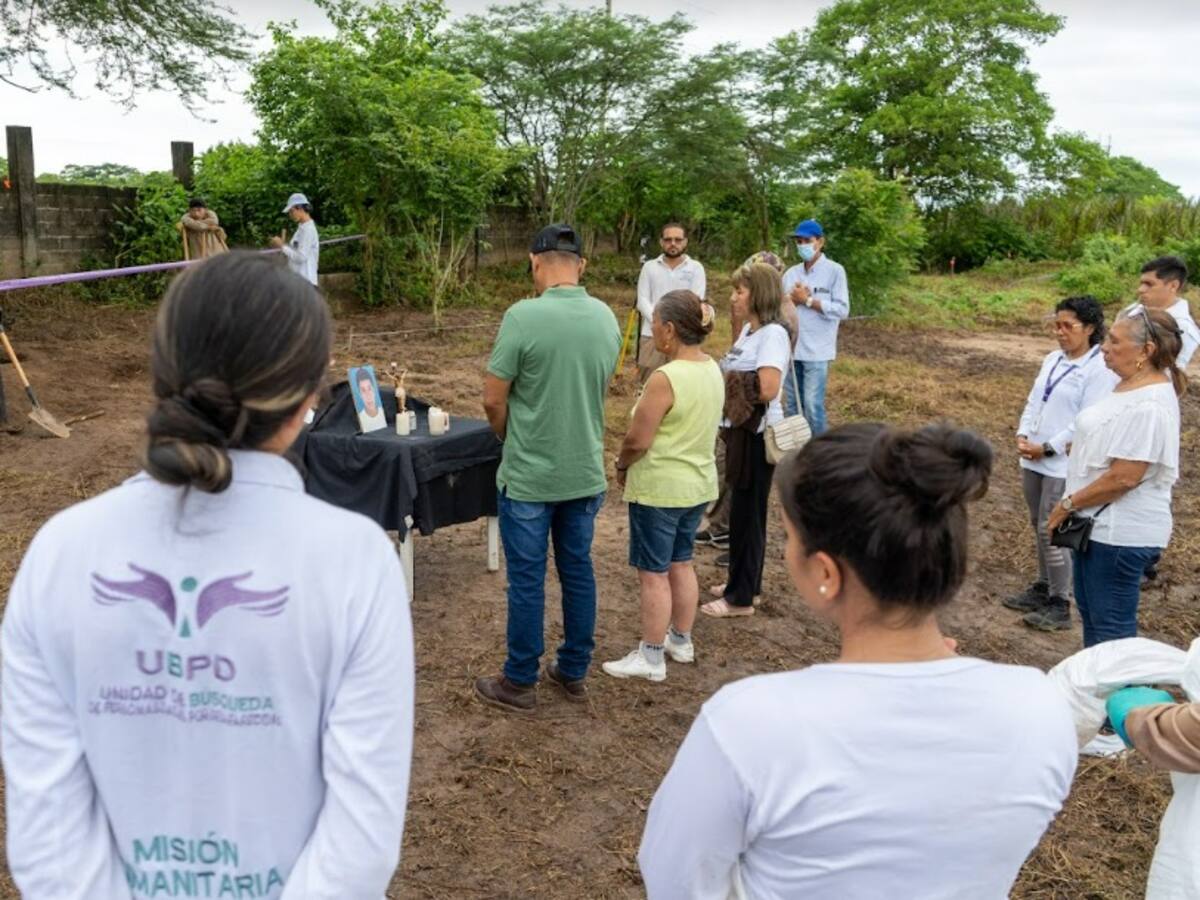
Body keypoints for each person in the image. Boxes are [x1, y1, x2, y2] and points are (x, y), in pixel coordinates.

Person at [1, 252, 414, 897]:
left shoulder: (61, 553)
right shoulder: (355, 561)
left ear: (160, 374)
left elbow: (46, 827)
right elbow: (361, 834)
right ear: (311, 396)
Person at [639, 423, 1078, 898]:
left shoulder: (750, 724)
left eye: (789, 537)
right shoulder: (1039, 708)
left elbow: (676, 880)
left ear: (826, 572)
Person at [476, 224, 621, 713]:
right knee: (578, 571)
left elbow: (494, 398)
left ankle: (520, 680)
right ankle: (574, 669)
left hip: (531, 475)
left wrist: (507, 435)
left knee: (528, 578)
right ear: (580, 266)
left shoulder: (522, 317)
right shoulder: (606, 317)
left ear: (536, 263)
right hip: (583, 470)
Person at [1046, 307, 1184, 647]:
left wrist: (1066, 504)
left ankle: (1118, 697)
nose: (1104, 347)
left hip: (1119, 535)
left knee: (1111, 634)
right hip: (1096, 528)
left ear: (1146, 350)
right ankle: (1097, 695)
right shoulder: (1127, 387)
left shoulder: (1150, 404)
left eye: (1114, 341)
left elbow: (1125, 477)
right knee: (1095, 620)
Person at [604, 290, 724, 681]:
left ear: (670, 329)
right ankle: (681, 639)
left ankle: (651, 656)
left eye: (654, 323)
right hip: (697, 485)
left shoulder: (666, 377)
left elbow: (639, 439)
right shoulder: (712, 368)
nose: (651, 329)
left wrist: (622, 464)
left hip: (661, 489)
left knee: (653, 572)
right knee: (681, 562)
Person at [1004, 296, 1117, 631]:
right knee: (1037, 526)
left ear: (1091, 328)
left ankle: (1060, 603)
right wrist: (1024, 433)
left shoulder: (1098, 369)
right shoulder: (1053, 359)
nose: (1060, 332)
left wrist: (1048, 448)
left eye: (1068, 325)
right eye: (1056, 324)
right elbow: (1034, 399)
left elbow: (1086, 419)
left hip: (1061, 463)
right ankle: (1043, 586)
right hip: (1034, 458)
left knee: (1051, 529)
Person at [701, 263, 790, 618]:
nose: (734, 297)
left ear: (759, 295)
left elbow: (768, 387)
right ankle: (744, 581)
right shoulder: (750, 332)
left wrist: (730, 384)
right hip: (738, 432)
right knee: (741, 512)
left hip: (755, 435)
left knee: (749, 515)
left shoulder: (773, 335)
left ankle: (740, 599)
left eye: (740, 291)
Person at [782, 219, 849, 435]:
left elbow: (842, 309)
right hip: (792, 350)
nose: (802, 245)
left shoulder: (834, 271)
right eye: (799, 241)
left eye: (807, 241)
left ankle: (820, 456)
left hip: (817, 351)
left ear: (820, 242)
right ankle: (795, 454)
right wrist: (791, 300)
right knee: (792, 407)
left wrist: (809, 301)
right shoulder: (791, 274)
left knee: (812, 406)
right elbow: (780, 307)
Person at [635, 223, 706, 382]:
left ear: (685, 242)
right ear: (661, 242)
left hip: (683, 336)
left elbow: (695, 301)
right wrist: (661, 323)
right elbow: (643, 300)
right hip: (652, 335)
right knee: (650, 382)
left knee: (683, 383)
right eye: (668, 240)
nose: (673, 243)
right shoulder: (649, 267)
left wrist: (675, 326)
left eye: (678, 239)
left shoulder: (696, 268)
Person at [1126, 255, 1199, 369]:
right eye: (1141, 283)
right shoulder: (1134, 309)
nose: (1140, 290)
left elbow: (1171, 376)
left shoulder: (1182, 329)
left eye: (1149, 284)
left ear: (1173, 286)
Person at [270, 192, 320, 286]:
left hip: (306, 282)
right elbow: (296, 251)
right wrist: (283, 246)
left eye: (291, 211)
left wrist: (282, 246)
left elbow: (300, 257)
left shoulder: (308, 230)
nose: (290, 215)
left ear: (300, 208)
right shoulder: (302, 227)